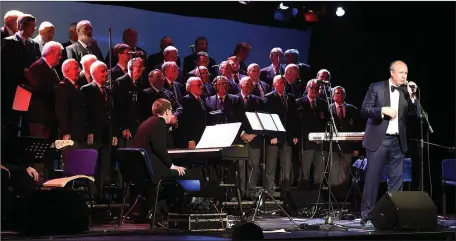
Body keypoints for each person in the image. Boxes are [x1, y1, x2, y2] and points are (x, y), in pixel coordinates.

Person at [360, 60, 420, 226]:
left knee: (396, 181)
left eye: (406, 73)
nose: (404, 76)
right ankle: (367, 217)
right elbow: (364, 110)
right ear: (392, 73)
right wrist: (381, 111)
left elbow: (417, 115)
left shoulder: (406, 91)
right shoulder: (376, 87)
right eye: (401, 73)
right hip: (378, 140)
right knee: (372, 180)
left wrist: (413, 96)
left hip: (397, 141)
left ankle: (393, 217)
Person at [133, 98, 201, 225]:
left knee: (177, 178)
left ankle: (161, 209)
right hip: (154, 170)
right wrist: (172, 165)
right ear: (167, 112)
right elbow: (159, 148)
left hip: (143, 169)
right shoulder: (159, 122)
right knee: (188, 174)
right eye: (171, 111)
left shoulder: (146, 122)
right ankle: (183, 214)